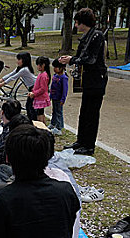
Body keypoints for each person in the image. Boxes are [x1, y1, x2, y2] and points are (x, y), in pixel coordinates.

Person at [59, 8, 108, 156]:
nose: (75, 25)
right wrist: (69, 58)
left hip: (96, 81)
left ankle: (89, 146)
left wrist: (72, 60)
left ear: (82, 22)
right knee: (84, 113)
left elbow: (90, 60)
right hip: (88, 81)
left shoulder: (97, 35)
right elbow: (80, 55)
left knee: (92, 114)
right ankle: (81, 141)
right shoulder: (87, 36)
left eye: (76, 22)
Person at [0, 52, 37, 120]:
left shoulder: (24, 69)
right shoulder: (20, 68)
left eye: (19, 59)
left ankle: (33, 121)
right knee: (29, 106)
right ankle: (31, 120)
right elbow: (10, 74)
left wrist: (1, 84)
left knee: (31, 107)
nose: (17, 61)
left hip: (35, 87)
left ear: (24, 60)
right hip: (31, 87)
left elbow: (13, 77)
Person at [28, 56, 51, 124]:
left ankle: (41, 127)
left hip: (41, 98)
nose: (37, 66)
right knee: (41, 113)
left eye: (38, 64)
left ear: (43, 65)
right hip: (39, 97)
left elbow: (42, 89)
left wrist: (34, 93)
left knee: (39, 114)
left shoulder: (43, 75)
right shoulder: (41, 74)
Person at [49, 59, 69, 135]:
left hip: (59, 98)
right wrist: (50, 96)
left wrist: (63, 99)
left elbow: (65, 90)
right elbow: (52, 87)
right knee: (54, 111)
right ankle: (53, 124)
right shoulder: (55, 76)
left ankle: (59, 127)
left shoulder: (64, 78)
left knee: (59, 113)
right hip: (54, 97)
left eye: (56, 67)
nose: (54, 69)